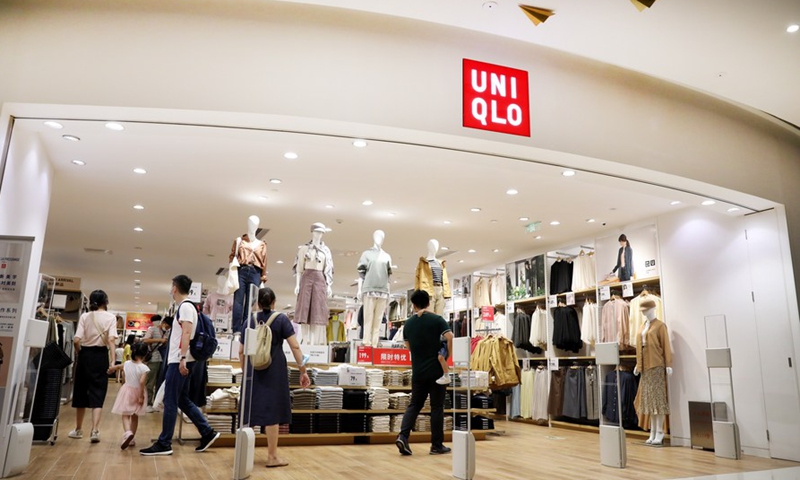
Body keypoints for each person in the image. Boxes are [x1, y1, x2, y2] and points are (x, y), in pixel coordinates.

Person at [140, 275, 220, 456]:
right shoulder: (189, 307)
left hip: (179, 361)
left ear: (175, 287)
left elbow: (186, 333)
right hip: (184, 360)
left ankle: (164, 443)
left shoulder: (185, 307)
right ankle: (207, 432)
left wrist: (182, 358)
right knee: (182, 399)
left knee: (170, 400)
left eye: (171, 285)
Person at [240, 287, 311, 468]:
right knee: (272, 412)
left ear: (258, 303)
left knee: (250, 410)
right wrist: (303, 370)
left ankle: (244, 456)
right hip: (274, 369)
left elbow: (241, 350)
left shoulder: (250, 320)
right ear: (274, 302)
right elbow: (295, 347)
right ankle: (272, 457)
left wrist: (246, 371)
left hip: (253, 370)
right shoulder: (281, 319)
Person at [395, 289, 454, 456]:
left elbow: (408, 347)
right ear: (428, 302)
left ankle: (403, 436)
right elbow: (450, 336)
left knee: (414, 405)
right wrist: (447, 357)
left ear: (413, 305)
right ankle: (436, 445)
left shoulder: (408, 324)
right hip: (437, 372)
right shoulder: (437, 320)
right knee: (436, 407)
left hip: (418, 371)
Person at [69, 289, 118, 443]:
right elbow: (111, 340)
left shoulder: (85, 316)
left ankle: (78, 429)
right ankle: (95, 430)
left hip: (85, 356)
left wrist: (79, 353)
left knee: (81, 391)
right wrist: (112, 361)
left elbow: (76, 340)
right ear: (106, 301)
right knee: (98, 391)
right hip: (100, 356)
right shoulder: (111, 317)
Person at [108, 341, 150, 450]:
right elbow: (141, 383)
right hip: (138, 392)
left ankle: (127, 432)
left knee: (125, 415)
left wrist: (112, 368)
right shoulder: (144, 368)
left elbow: (118, 367)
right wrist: (141, 396)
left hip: (127, 391)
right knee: (134, 416)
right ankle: (131, 438)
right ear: (145, 354)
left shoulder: (127, 364)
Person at [143, 314, 167, 410]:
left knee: (160, 382)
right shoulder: (152, 329)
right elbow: (145, 340)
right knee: (150, 382)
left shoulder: (165, 331)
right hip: (153, 358)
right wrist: (160, 340)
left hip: (163, 359)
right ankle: (148, 403)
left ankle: (157, 403)